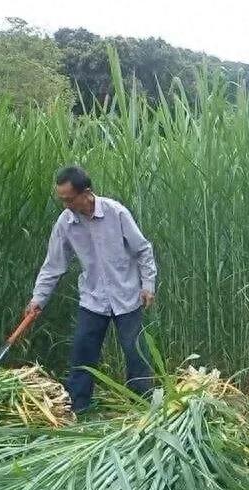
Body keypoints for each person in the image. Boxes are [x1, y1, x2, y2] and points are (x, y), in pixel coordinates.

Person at [25, 165, 157, 413]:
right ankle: (77, 408)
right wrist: (38, 300)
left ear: (85, 193)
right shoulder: (66, 223)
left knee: (135, 352)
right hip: (93, 299)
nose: (65, 205)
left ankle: (142, 408)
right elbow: (53, 265)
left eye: (68, 199)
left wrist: (148, 285)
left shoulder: (116, 213)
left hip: (126, 296)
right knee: (82, 354)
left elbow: (143, 250)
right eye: (61, 200)